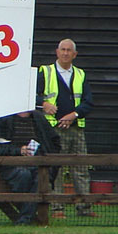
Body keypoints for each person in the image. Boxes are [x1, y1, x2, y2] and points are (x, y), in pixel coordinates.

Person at [37, 38, 95, 218]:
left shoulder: (80, 74)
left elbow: (88, 102)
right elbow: (32, 95)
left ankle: (84, 208)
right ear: (57, 52)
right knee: (56, 169)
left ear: (74, 54)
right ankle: (56, 209)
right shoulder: (45, 72)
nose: (65, 53)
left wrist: (73, 115)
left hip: (75, 128)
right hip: (53, 129)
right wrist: (44, 104)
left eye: (69, 50)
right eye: (62, 49)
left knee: (81, 168)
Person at [0, 111, 61, 225]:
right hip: (12, 165)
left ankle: (24, 219)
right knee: (23, 175)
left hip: (38, 164)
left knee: (41, 179)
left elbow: (54, 141)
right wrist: (19, 150)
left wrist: (45, 157)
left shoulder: (39, 119)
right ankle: (27, 217)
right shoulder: (4, 120)